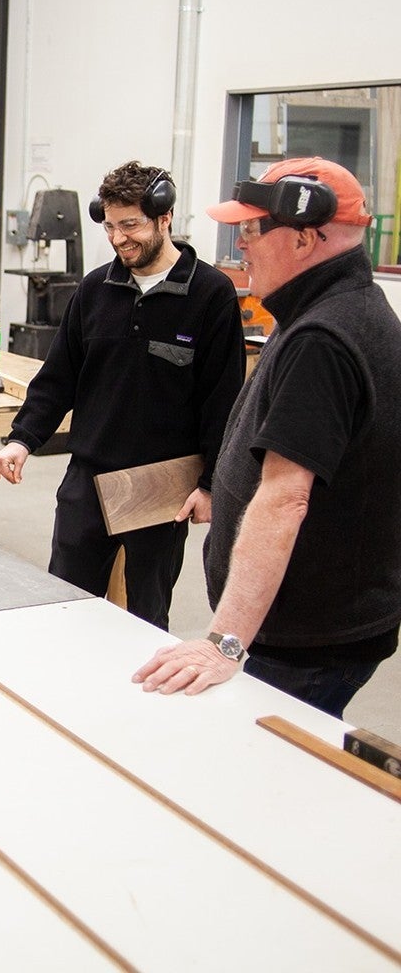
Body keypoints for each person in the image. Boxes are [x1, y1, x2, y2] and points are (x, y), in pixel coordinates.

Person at [133, 158, 401, 717]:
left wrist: (223, 643)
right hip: (334, 622)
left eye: (251, 231)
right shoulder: (350, 311)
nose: (240, 246)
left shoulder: (322, 340)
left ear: (305, 238)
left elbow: (285, 498)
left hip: (306, 641)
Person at [0, 161, 246, 629]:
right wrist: (22, 438)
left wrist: (211, 484)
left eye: (130, 225)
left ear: (164, 218)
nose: (118, 238)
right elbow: (59, 377)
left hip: (162, 481)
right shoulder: (95, 290)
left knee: (146, 618)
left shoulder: (211, 295)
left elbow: (223, 402)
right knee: (65, 604)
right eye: (110, 226)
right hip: (88, 474)